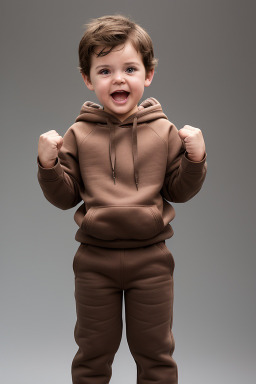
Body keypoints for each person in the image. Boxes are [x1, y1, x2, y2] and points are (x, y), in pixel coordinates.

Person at [37, 14, 207, 384]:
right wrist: (48, 165)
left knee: (156, 354)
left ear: (147, 75)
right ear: (87, 78)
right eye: (105, 70)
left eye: (130, 68)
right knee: (93, 354)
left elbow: (180, 190)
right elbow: (65, 197)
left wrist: (195, 159)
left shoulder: (164, 131)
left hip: (152, 260)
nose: (118, 78)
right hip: (94, 262)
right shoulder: (78, 134)